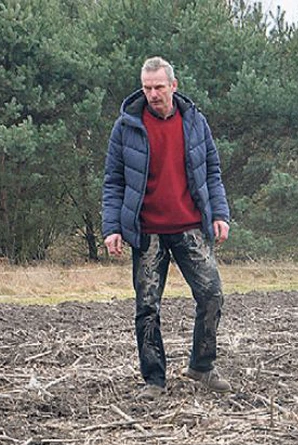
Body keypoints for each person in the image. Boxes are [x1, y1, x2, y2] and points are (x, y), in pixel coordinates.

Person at [102, 56, 231, 398]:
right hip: (147, 232)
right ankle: (154, 380)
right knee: (147, 307)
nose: (153, 94)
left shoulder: (195, 122)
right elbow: (113, 181)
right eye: (147, 88)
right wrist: (111, 228)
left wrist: (220, 214)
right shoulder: (126, 126)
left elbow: (213, 172)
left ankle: (201, 366)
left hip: (190, 226)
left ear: (173, 85)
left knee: (212, 295)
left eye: (159, 87)